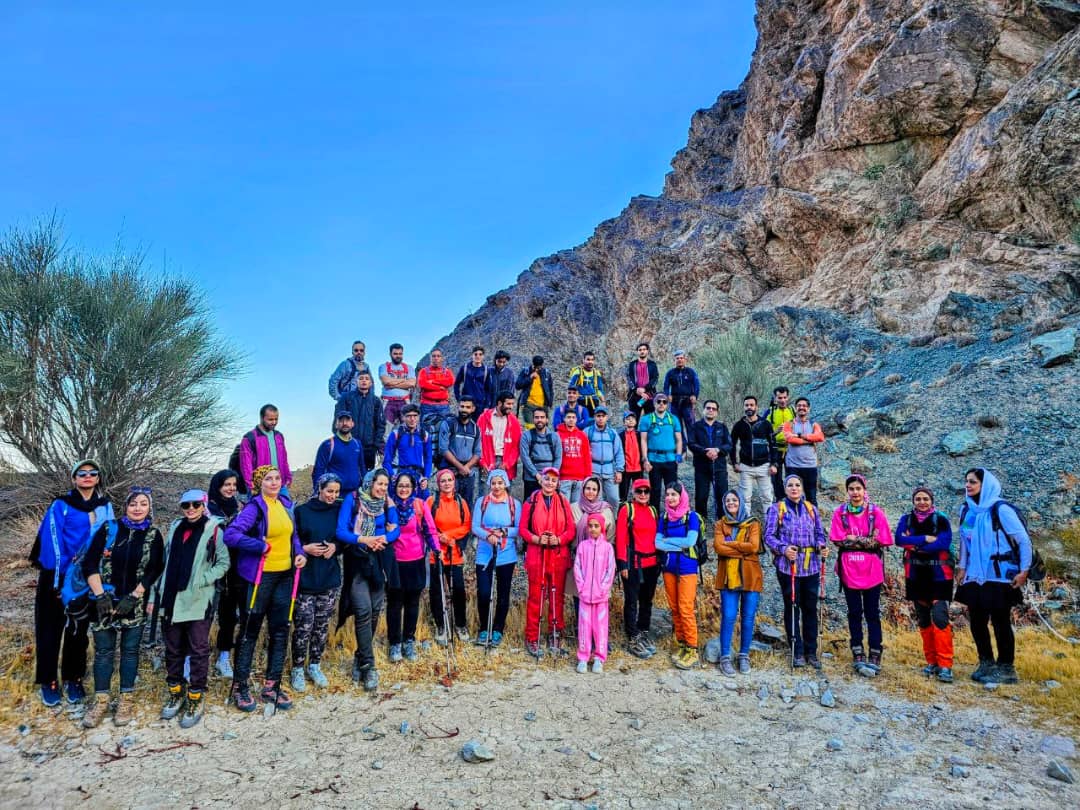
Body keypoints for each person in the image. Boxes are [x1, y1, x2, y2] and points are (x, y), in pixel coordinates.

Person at [31, 459, 116, 707]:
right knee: (50, 629)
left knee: (77, 629)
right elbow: (52, 542)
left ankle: (73, 678)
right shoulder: (61, 505)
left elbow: (109, 537)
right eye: (82, 473)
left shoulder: (105, 506)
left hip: (87, 577)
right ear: (74, 478)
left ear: (98, 478)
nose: (87, 476)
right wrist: (58, 580)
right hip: (56, 575)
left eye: (93, 473)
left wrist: (102, 572)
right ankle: (48, 680)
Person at [223, 465, 307, 712]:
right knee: (250, 631)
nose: (274, 482)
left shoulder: (285, 505)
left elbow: (293, 537)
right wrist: (259, 546)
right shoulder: (255, 507)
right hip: (261, 577)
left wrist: (300, 553)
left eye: (277, 478)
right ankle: (240, 686)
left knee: (280, 630)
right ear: (259, 483)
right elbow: (231, 535)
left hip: (285, 576)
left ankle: (272, 686)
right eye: (268, 479)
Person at [80, 488, 164, 728]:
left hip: (133, 603)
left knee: (130, 651)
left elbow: (155, 568)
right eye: (133, 503)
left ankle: (126, 700)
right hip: (103, 600)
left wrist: (135, 595)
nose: (138, 508)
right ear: (125, 506)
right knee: (104, 652)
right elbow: (89, 563)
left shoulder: (153, 534)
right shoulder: (109, 529)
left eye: (143, 504)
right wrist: (100, 596)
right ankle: (101, 701)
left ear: (149, 508)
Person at [155, 489, 228, 729]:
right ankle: (176, 692)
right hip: (171, 598)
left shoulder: (214, 530)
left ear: (204, 505)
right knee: (173, 649)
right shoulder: (175, 527)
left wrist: (202, 580)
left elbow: (224, 562)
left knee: (198, 649)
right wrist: (156, 593)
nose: (191, 509)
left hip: (197, 599)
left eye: (196, 504)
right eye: (186, 505)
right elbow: (164, 562)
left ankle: (196, 696)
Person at [955, 468, 1032, 685]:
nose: (968, 485)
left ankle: (1006, 667)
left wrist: (1024, 571)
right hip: (975, 575)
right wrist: (962, 567)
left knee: (1000, 621)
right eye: (966, 481)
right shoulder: (967, 510)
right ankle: (986, 662)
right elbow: (965, 541)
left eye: (973, 482)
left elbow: (1024, 541)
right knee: (977, 621)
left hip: (999, 576)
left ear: (985, 484)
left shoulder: (1001, 509)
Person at [336, 470, 399, 692]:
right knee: (363, 611)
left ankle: (359, 657)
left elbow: (396, 529)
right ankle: (369, 666)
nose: (383, 488)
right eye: (379, 484)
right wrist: (364, 539)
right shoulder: (353, 499)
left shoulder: (387, 503)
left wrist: (382, 538)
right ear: (370, 482)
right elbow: (341, 531)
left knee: (374, 612)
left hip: (380, 561)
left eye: (386, 485)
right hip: (358, 561)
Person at [829, 474, 893, 677]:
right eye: (851, 489)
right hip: (849, 570)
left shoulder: (876, 513)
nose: (855, 492)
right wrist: (865, 540)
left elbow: (881, 540)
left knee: (872, 612)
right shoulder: (840, 513)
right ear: (847, 491)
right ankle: (857, 650)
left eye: (858, 488)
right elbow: (837, 540)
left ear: (864, 490)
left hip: (872, 570)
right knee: (854, 612)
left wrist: (853, 539)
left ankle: (875, 651)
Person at [764, 475, 827, 669]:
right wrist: (783, 549)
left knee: (810, 608)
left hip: (811, 566)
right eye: (790, 485)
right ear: (785, 489)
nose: (794, 488)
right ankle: (797, 650)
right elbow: (768, 536)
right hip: (788, 566)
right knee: (792, 606)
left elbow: (820, 533)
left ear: (802, 488)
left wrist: (821, 545)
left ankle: (811, 651)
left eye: (797, 485)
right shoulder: (777, 509)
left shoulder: (811, 509)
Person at [894, 487, 955, 683]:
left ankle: (945, 664)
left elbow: (943, 543)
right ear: (913, 501)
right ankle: (932, 661)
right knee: (923, 619)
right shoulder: (906, 519)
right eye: (918, 499)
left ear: (931, 500)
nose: (922, 502)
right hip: (915, 575)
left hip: (939, 575)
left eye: (925, 499)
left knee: (940, 617)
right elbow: (898, 539)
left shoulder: (941, 519)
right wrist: (924, 539)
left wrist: (913, 544)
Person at [290, 474, 343, 693]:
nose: (333, 496)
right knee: (303, 627)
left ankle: (314, 665)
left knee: (321, 626)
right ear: (319, 489)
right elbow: (292, 539)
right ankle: (297, 668)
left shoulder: (339, 511)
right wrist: (305, 549)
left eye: (337, 492)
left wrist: (336, 547)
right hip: (305, 578)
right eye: (329, 491)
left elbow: (345, 537)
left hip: (329, 577)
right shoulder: (301, 511)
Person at [520, 468, 576, 658]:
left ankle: (555, 633)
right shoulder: (531, 501)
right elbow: (523, 529)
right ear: (541, 480)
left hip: (558, 555)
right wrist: (537, 539)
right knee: (536, 597)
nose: (550, 483)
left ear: (558, 483)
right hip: (537, 555)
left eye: (553, 480)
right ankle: (532, 637)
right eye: (547, 479)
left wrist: (559, 540)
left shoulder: (563, 501)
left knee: (556, 597)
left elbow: (571, 530)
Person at [385, 472, 438, 663]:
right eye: (400, 485)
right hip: (395, 562)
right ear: (395, 486)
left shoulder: (419, 505)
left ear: (413, 487)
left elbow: (430, 530)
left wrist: (436, 548)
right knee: (394, 603)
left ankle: (409, 640)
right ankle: (394, 643)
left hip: (416, 560)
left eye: (407, 486)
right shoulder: (388, 505)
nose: (404, 489)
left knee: (412, 603)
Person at [713, 490, 762, 676]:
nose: (731, 503)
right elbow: (718, 548)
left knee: (748, 617)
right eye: (728, 501)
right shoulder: (720, 524)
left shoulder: (753, 523)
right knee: (728, 616)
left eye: (734, 500)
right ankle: (725, 657)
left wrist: (730, 543)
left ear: (741, 502)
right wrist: (742, 549)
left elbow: (754, 547)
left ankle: (744, 655)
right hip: (728, 577)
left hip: (750, 576)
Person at [655, 482, 702, 670]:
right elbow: (658, 543)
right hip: (669, 567)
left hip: (688, 567)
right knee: (674, 608)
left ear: (681, 496)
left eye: (674, 494)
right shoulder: (664, 517)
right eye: (667, 494)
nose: (670, 498)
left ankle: (692, 649)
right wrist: (677, 543)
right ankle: (682, 644)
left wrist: (669, 541)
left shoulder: (691, 517)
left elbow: (690, 541)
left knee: (685, 607)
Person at [472, 469, 521, 647]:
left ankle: (498, 629)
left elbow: (519, 528)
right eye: (493, 483)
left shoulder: (514, 504)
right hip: (485, 552)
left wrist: (504, 532)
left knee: (503, 593)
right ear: (489, 484)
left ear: (506, 484)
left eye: (500, 483)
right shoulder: (482, 502)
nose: (497, 486)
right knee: (484, 592)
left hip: (506, 553)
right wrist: (488, 536)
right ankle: (484, 628)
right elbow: (475, 526)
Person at [426, 469, 472, 644]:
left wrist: (449, 536)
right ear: (438, 484)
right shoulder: (431, 502)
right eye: (443, 481)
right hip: (436, 553)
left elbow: (466, 525)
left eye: (449, 480)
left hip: (454, 553)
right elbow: (426, 525)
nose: (447, 483)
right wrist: (439, 538)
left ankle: (460, 624)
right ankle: (440, 625)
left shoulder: (461, 502)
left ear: (454, 482)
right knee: (436, 591)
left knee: (458, 589)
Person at [616, 480, 660, 659]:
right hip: (633, 564)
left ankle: (643, 631)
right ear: (633, 492)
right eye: (639, 491)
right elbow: (620, 538)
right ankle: (632, 635)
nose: (643, 494)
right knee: (632, 601)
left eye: (646, 491)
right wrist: (622, 564)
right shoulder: (627, 509)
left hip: (652, 563)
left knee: (647, 601)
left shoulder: (653, 510)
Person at [568, 477, 616, 638]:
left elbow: (611, 535)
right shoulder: (574, 508)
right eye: (587, 488)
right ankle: (583, 634)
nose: (590, 492)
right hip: (579, 558)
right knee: (579, 595)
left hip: (600, 560)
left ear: (599, 491)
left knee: (600, 598)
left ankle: (599, 636)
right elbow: (569, 532)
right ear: (582, 490)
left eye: (594, 489)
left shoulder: (606, 510)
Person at [207, 469, 243, 679]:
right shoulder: (207, 509)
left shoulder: (238, 508)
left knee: (229, 616)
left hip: (234, 570)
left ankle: (223, 657)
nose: (231, 489)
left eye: (234, 485)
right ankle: (192, 658)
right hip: (211, 569)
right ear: (217, 485)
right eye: (226, 484)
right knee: (204, 615)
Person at [573, 514, 616, 674]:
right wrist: (582, 588)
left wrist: (603, 589)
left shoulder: (608, 548)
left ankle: (599, 658)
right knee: (584, 627)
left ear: (602, 528)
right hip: (585, 596)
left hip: (601, 598)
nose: (593, 529)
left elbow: (610, 570)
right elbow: (577, 568)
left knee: (600, 628)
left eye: (596, 526)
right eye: (590, 526)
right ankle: (583, 658)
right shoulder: (582, 546)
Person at [729, 396, 777, 519]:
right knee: (745, 498)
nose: (749, 407)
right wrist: (734, 462)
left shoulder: (765, 424)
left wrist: (773, 464)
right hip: (746, 466)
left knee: (767, 497)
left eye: (751, 405)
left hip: (764, 466)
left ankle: (770, 525)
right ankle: (747, 524)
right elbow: (732, 444)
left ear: (756, 407)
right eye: (746, 405)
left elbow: (773, 444)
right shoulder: (739, 425)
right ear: (744, 407)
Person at [688, 400, 732, 521]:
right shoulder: (696, 426)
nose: (711, 410)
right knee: (701, 496)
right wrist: (704, 451)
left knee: (722, 495)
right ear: (704, 410)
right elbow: (691, 443)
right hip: (701, 467)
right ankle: (701, 523)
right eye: (708, 408)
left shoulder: (722, 427)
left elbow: (729, 445)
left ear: (717, 412)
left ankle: (723, 522)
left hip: (719, 467)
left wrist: (718, 450)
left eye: (713, 409)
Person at [639, 393, 683, 510]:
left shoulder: (673, 419)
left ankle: (672, 516)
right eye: (658, 401)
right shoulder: (646, 419)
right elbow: (643, 440)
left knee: (672, 490)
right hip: (654, 459)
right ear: (654, 403)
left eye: (664, 402)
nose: (661, 404)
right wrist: (645, 459)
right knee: (655, 490)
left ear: (667, 404)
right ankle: (655, 517)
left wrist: (678, 455)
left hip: (670, 459)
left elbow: (679, 439)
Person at [337, 370, 387, 473]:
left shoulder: (376, 401)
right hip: (349, 444)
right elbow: (338, 420)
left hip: (369, 448)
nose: (364, 381)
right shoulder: (346, 398)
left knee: (366, 477)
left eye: (367, 379)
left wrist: (376, 445)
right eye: (361, 378)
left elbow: (380, 424)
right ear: (356, 381)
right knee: (348, 473)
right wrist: (341, 441)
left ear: (371, 383)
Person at [238, 404, 293, 496]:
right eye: (270, 419)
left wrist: (288, 477)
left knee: (287, 506)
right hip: (260, 486)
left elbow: (284, 459)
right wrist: (251, 483)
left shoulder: (279, 436)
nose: (274, 422)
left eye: (276, 419)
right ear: (262, 418)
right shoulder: (249, 438)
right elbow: (245, 464)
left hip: (280, 484)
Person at [438, 396, 482, 505]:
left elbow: (477, 452)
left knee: (467, 504)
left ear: (473, 409)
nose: (464, 410)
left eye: (468, 407)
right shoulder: (448, 424)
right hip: (450, 471)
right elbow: (443, 449)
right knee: (449, 503)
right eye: (462, 406)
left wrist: (466, 467)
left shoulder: (476, 429)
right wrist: (460, 467)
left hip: (468, 473)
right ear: (458, 406)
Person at [312, 410, 366, 498]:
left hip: (354, 495)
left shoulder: (357, 444)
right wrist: (318, 493)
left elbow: (362, 468)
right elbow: (318, 470)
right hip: (334, 496)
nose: (344, 423)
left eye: (347, 420)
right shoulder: (328, 444)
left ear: (352, 424)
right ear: (336, 424)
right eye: (341, 421)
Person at [781, 397, 824, 505]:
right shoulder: (789, 424)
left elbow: (820, 437)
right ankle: (792, 516)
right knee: (792, 497)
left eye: (804, 406)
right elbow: (790, 439)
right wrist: (809, 440)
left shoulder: (814, 424)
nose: (801, 408)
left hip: (810, 465)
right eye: (799, 405)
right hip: (793, 466)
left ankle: (813, 516)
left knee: (811, 497)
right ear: (795, 408)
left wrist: (799, 435)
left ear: (808, 409)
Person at [383, 403, 432, 494]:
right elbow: (386, 460)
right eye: (409, 416)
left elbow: (428, 459)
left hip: (418, 475)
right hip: (400, 474)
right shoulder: (396, 434)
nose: (412, 419)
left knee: (425, 499)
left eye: (415, 416)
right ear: (403, 417)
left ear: (419, 417)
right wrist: (392, 475)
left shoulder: (424, 435)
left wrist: (426, 477)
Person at [477, 392, 522, 487]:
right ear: (499, 403)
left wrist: (507, 464)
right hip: (487, 460)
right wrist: (482, 461)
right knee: (485, 492)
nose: (511, 407)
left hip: (506, 463)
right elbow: (477, 442)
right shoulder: (484, 417)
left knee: (505, 493)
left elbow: (516, 446)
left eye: (512, 404)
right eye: (508, 404)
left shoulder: (514, 421)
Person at [585, 405, 624, 510]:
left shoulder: (612, 433)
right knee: (596, 499)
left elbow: (619, 452)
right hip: (593, 471)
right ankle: (597, 519)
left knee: (614, 499)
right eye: (598, 416)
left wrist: (619, 470)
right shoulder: (588, 432)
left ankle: (613, 519)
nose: (601, 418)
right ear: (594, 417)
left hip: (610, 471)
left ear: (607, 417)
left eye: (603, 416)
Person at [763, 387, 795, 501]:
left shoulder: (793, 411)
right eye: (780, 398)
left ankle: (791, 498)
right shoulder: (769, 412)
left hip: (791, 449)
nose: (782, 400)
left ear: (788, 397)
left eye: (785, 397)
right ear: (775, 398)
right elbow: (761, 432)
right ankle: (780, 499)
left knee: (791, 475)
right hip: (775, 449)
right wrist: (776, 431)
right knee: (776, 477)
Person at [556, 409, 592, 503]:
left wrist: (588, 477)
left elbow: (587, 457)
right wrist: (556, 476)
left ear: (576, 419)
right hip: (564, 478)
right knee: (564, 506)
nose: (571, 419)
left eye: (573, 417)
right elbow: (555, 457)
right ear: (564, 419)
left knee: (576, 507)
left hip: (579, 479)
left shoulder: (582, 435)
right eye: (568, 417)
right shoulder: (557, 435)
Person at [662, 349, 699, 441]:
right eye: (677, 358)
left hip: (688, 403)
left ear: (685, 359)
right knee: (677, 426)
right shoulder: (670, 373)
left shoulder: (691, 372)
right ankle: (682, 447)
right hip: (675, 403)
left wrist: (695, 395)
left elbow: (696, 384)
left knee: (691, 425)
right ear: (674, 360)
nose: (679, 360)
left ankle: (693, 445)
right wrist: (667, 395)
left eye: (681, 358)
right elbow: (666, 386)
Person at [379, 343, 416, 427]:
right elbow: (386, 381)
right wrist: (404, 380)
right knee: (385, 429)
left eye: (400, 354)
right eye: (395, 354)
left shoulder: (409, 367)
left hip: (405, 401)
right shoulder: (384, 366)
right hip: (388, 402)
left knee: (408, 428)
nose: (398, 356)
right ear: (390, 354)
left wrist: (391, 385)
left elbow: (411, 383)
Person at [417, 347, 455, 426]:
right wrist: (440, 387)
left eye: (438, 356)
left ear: (442, 358)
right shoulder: (423, 371)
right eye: (433, 356)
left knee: (444, 429)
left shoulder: (447, 371)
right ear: (430, 358)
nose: (436, 358)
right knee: (426, 430)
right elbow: (423, 384)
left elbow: (450, 381)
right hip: (427, 406)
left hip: (443, 405)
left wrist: (433, 382)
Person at [515, 355, 554, 429]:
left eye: (539, 368)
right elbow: (517, 385)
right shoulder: (526, 371)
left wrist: (550, 402)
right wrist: (530, 377)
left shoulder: (546, 373)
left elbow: (550, 389)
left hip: (543, 406)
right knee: (531, 428)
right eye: (535, 367)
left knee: (543, 429)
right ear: (532, 364)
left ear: (542, 366)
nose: (536, 369)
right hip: (528, 405)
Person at [625, 342, 659, 418]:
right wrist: (636, 389)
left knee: (650, 420)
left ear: (647, 351)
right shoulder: (632, 364)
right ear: (637, 352)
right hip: (634, 396)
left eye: (644, 349)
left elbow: (655, 378)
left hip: (649, 395)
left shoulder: (652, 364)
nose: (642, 351)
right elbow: (629, 377)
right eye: (640, 350)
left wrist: (645, 389)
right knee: (633, 419)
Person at [617, 410, 644, 502]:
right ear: (624, 422)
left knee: (639, 493)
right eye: (628, 419)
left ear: (636, 421)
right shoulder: (620, 436)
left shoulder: (640, 435)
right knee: (622, 494)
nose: (631, 420)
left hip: (638, 468)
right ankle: (622, 508)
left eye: (633, 419)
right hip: (625, 469)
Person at [568, 352, 606, 416]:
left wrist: (603, 402)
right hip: (580, 401)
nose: (590, 362)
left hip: (594, 402)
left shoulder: (596, 373)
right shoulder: (577, 372)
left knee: (593, 420)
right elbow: (571, 388)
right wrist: (571, 402)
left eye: (592, 360)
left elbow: (599, 389)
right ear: (583, 360)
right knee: (581, 420)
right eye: (588, 359)